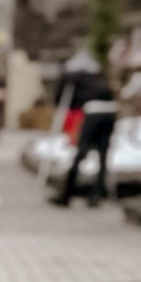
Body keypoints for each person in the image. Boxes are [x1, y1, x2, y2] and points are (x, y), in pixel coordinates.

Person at [52, 57, 118, 207]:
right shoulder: (99, 75)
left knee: (81, 151)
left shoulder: (73, 75)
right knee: (103, 153)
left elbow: (61, 95)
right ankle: (97, 193)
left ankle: (67, 194)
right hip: (110, 111)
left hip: (93, 111)